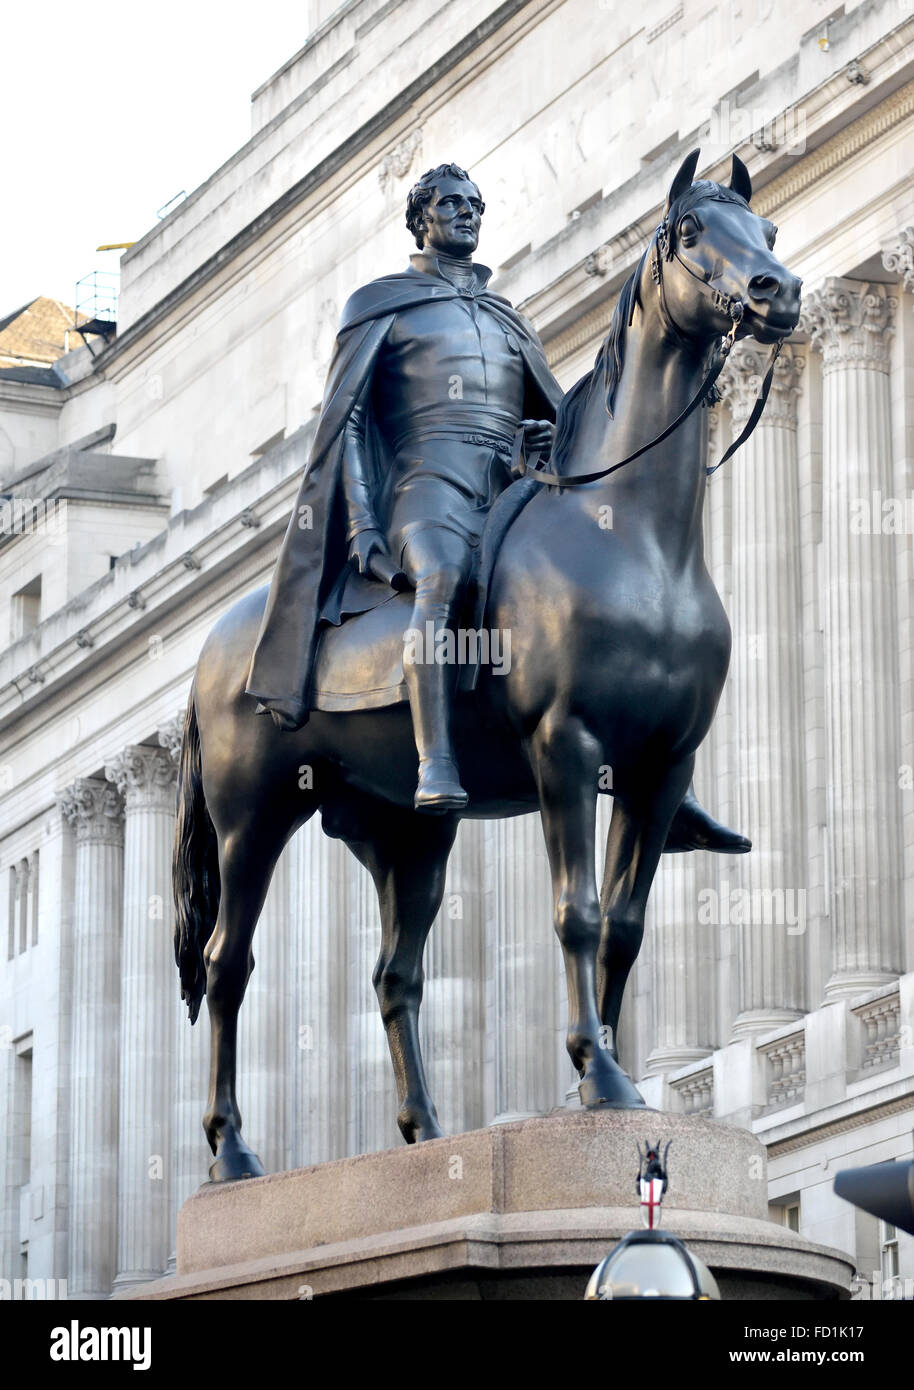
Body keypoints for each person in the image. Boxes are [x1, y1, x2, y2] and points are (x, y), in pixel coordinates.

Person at [245, 162, 749, 847]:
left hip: (507, 484)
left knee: (603, 587)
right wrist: (362, 520)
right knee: (445, 576)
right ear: (419, 219)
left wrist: (540, 440)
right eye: (450, 203)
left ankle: (668, 781)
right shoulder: (379, 305)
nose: (466, 213)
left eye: (475, 204)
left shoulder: (507, 320)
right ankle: (436, 756)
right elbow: (350, 425)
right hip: (423, 487)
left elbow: (558, 410)